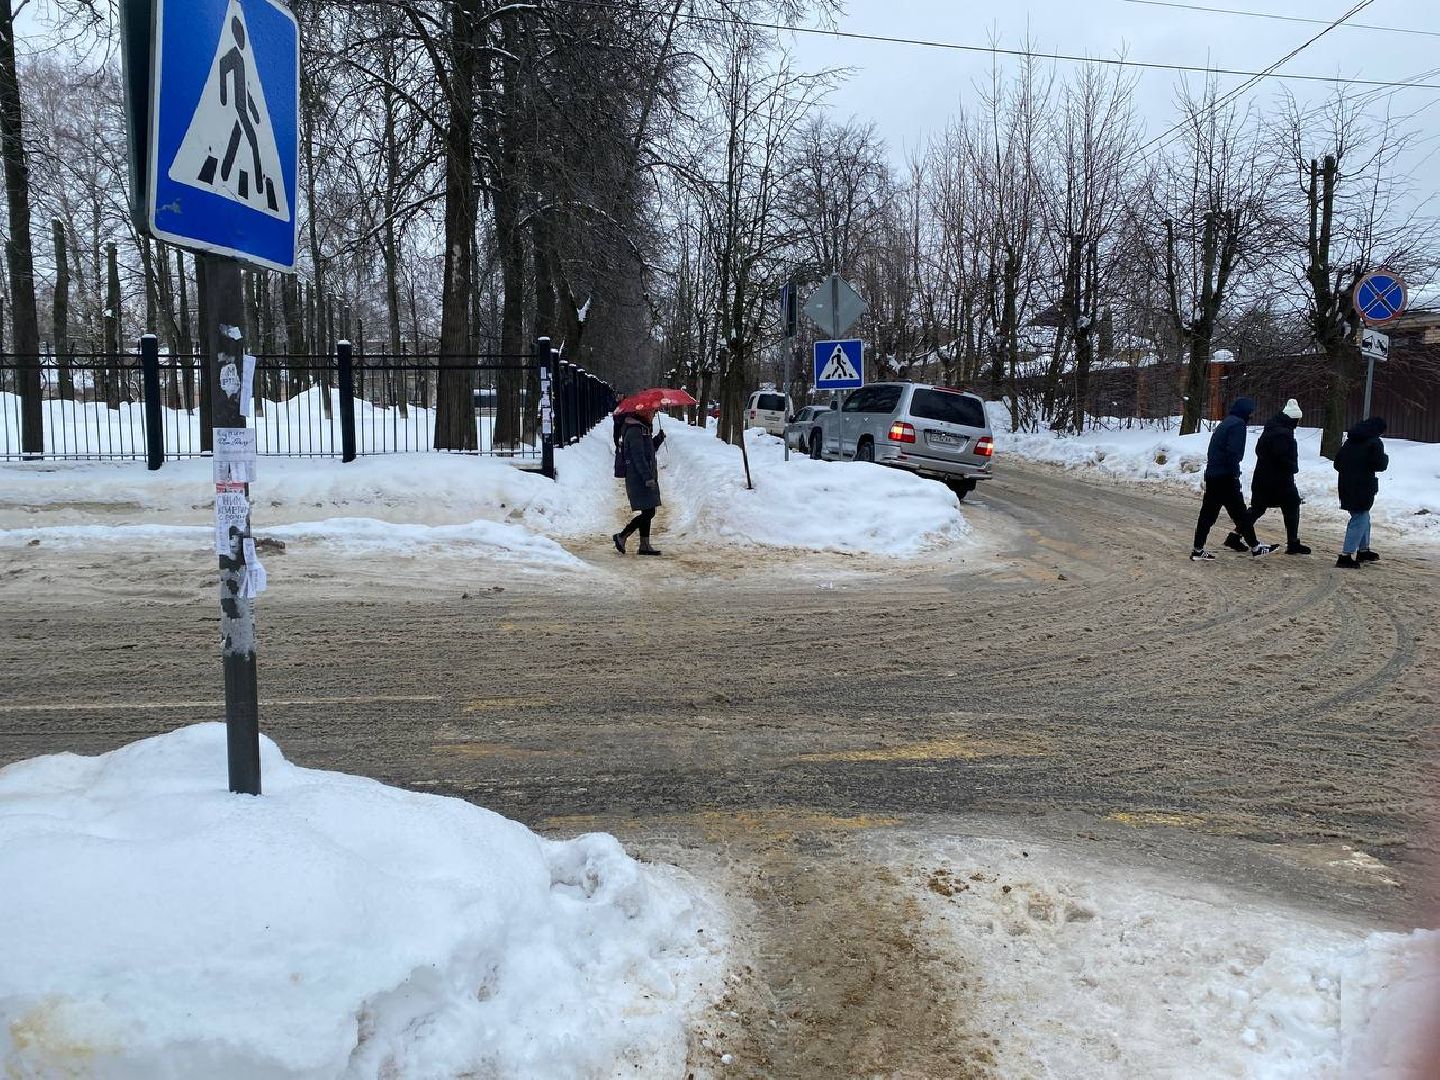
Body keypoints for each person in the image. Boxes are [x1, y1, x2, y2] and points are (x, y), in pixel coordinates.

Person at [1191, 397, 1278, 561]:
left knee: (1208, 515)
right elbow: (1233, 453)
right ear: (1246, 411)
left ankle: (1197, 549)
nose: (1252, 415)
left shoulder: (1226, 423)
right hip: (1225, 477)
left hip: (1213, 475)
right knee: (1240, 514)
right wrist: (1235, 474)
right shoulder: (1238, 425)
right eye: (1251, 412)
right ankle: (1256, 547)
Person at [1225, 398, 1310, 555]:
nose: (1298, 423)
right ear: (1293, 419)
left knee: (1258, 508)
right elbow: (1281, 457)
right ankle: (1293, 543)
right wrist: (1293, 467)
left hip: (1263, 478)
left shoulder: (1271, 429)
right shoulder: (1283, 433)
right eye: (1297, 420)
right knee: (1291, 505)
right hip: (1279, 481)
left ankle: (1235, 536)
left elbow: (1259, 450)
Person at [1333, 416, 1388, 569]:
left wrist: (1350, 471)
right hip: (1364, 485)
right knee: (1360, 517)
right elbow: (1380, 464)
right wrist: (1385, 458)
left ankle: (1363, 551)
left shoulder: (1350, 441)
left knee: (1363, 515)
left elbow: (1337, 463)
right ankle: (1345, 556)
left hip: (1346, 484)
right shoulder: (1374, 442)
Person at [612, 408, 667, 556]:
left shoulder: (642, 429)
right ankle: (622, 536)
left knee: (648, 509)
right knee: (649, 511)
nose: (654, 415)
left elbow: (648, 451)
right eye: (652, 412)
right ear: (643, 413)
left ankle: (644, 545)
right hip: (639, 478)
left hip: (642, 477)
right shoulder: (635, 431)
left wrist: (658, 439)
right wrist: (647, 477)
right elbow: (638, 458)